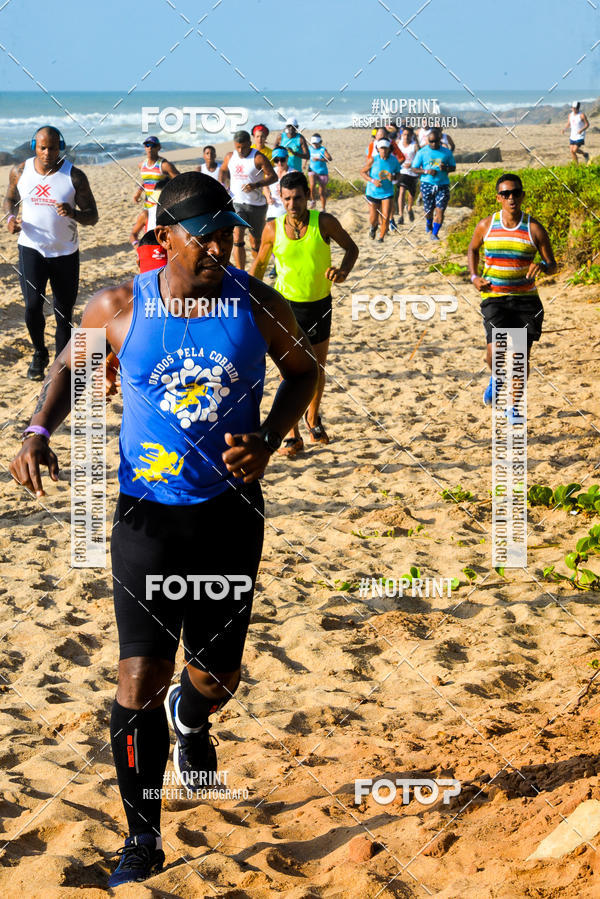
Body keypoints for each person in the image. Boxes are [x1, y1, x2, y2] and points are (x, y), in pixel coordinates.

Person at [9, 171, 319, 888]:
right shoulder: (121, 305)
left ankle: (194, 711)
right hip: (145, 513)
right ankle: (143, 837)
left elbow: (303, 371)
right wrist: (36, 432)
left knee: (218, 675)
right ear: (164, 236)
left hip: (231, 513)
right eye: (203, 234)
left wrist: (270, 438)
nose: (218, 245)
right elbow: (68, 368)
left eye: (225, 233)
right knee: (137, 677)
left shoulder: (254, 303)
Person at [251, 171, 358, 455]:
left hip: (320, 304)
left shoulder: (323, 222)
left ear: (307, 196)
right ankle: (292, 434)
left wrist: (343, 271)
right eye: (286, 198)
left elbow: (351, 248)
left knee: (317, 368)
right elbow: (259, 267)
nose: (292, 203)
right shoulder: (272, 229)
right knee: (291, 371)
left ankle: (313, 418)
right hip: (285, 307)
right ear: (280, 199)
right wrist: (244, 297)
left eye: (297, 197)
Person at [3, 125, 99, 380]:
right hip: (31, 248)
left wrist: (74, 212)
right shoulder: (20, 171)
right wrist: (10, 218)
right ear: (34, 145)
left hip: (65, 252)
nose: (47, 153)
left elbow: (93, 217)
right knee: (32, 306)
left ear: (61, 146)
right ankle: (39, 352)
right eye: (42, 147)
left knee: (63, 311)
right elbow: (10, 199)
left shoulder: (74, 176)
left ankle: (60, 362)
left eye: (53, 147)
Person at [467, 172, 556, 407]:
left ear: (522, 195)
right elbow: (473, 249)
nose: (511, 198)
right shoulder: (486, 225)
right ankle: (496, 378)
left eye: (515, 192)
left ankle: (513, 408)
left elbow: (552, 265)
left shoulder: (534, 228)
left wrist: (542, 265)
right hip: (494, 298)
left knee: (519, 358)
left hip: (526, 302)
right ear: (498, 198)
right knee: (493, 354)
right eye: (506, 194)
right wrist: (475, 276)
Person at [219, 130, 277, 270]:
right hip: (237, 203)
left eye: (244, 147)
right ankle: (241, 272)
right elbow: (223, 170)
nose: (240, 150)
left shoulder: (258, 158)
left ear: (250, 144)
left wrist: (256, 185)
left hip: (256, 205)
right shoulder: (230, 157)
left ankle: (255, 270)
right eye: (237, 147)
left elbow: (273, 176)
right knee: (237, 238)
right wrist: (223, 184)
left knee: (256, 242)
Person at [412, 128, 456, 239]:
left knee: (440, 210)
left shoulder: (446, 152)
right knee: (428, 211)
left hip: (443, 185)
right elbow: (414, 168)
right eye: (431, 141)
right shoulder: (422, 152)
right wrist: (426, 171)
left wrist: (446, 168)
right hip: (427, 184)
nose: (434, 143)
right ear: (428, 140)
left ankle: (434, 234)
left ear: (440, 139)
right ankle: (428, 222)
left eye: (436, 141)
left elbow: (453, 167)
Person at [360, 139, 402, 242]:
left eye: (385, 148)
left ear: (389, 149)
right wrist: (373, 181)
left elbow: (399, 174)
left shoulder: (394, 160)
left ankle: (381, 237)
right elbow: (362, 172)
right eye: (381, 148)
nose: (383, 150)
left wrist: (394, 177)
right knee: (373, 219)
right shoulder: (373, 160)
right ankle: (373, 227)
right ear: (377, 149)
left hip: (387, 192)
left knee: (386, 215)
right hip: (373, 192)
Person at [133, 136, 179, 207]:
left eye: (153, 145)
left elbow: (180, 181)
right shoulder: (141, 165)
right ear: (145, 147)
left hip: (163, 206)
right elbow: (146, 181)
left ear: (159, 147)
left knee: (141, 217)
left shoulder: (165, 165)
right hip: (148, 203)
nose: (150, 148)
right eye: (147, 145)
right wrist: (138, 193)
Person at [397, 126, 419, 224]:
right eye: (404, 134)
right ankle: (401, 215)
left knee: (411, 194)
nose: (406, 137)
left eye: (408, 135)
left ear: (411, 136)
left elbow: (419, 158)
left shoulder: (414, 145)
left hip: (412, 172)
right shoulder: (398, 144)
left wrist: (412, 164)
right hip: (402, 172)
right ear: (402, 135)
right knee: (401, 191)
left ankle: (409, 208)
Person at [307, 134, 332, 210]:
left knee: (322, 192)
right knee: (312, 185)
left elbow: (329, 159)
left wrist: (319, 159)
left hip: (322, 172)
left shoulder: (323, 149)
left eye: (316, 143)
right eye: (313, 143)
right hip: (312, 170)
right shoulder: (309, 148)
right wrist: (305, 164)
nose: (314, 145)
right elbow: (307, 156)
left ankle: (323, 208)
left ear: (320, 142)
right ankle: (313, 201)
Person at [266, 147, 289, 220]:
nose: (279, 163)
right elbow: (265, 186)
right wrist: (268, 197)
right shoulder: (270, 173)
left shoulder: (293, 173)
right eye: (276, 160)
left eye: (282, 160)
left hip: (288, 214)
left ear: (287, 158)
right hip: (272, 213)